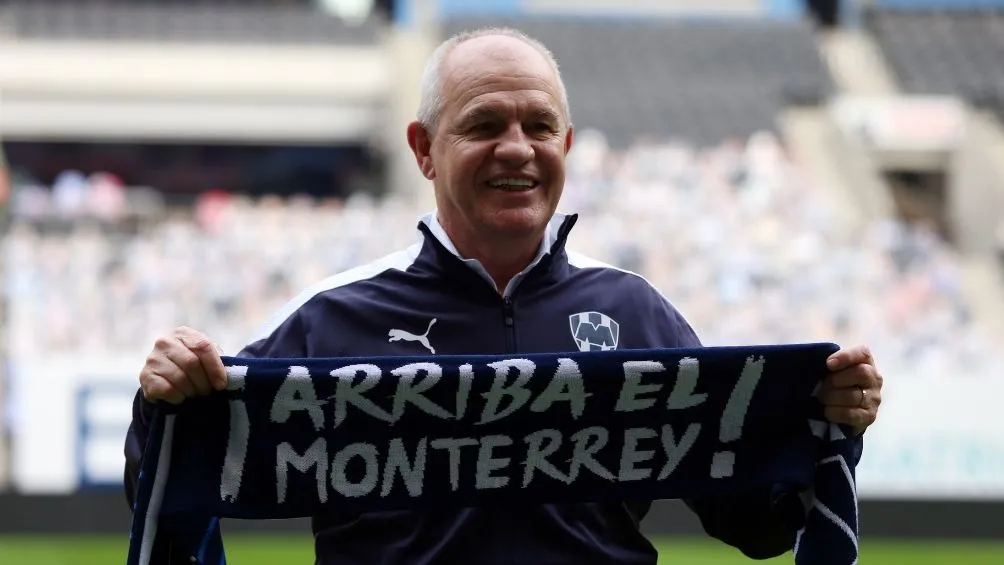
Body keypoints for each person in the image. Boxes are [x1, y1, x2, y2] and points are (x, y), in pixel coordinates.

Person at [124, 27, 884, 565]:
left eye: (538, 125)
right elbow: (177, 479)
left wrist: (828, 427)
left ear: (567, 146)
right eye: (484, 124)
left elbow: (756, 525)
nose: (516, 148)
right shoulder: (334, 315)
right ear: (424, 149)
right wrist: (166, 400)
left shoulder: (636, 312)